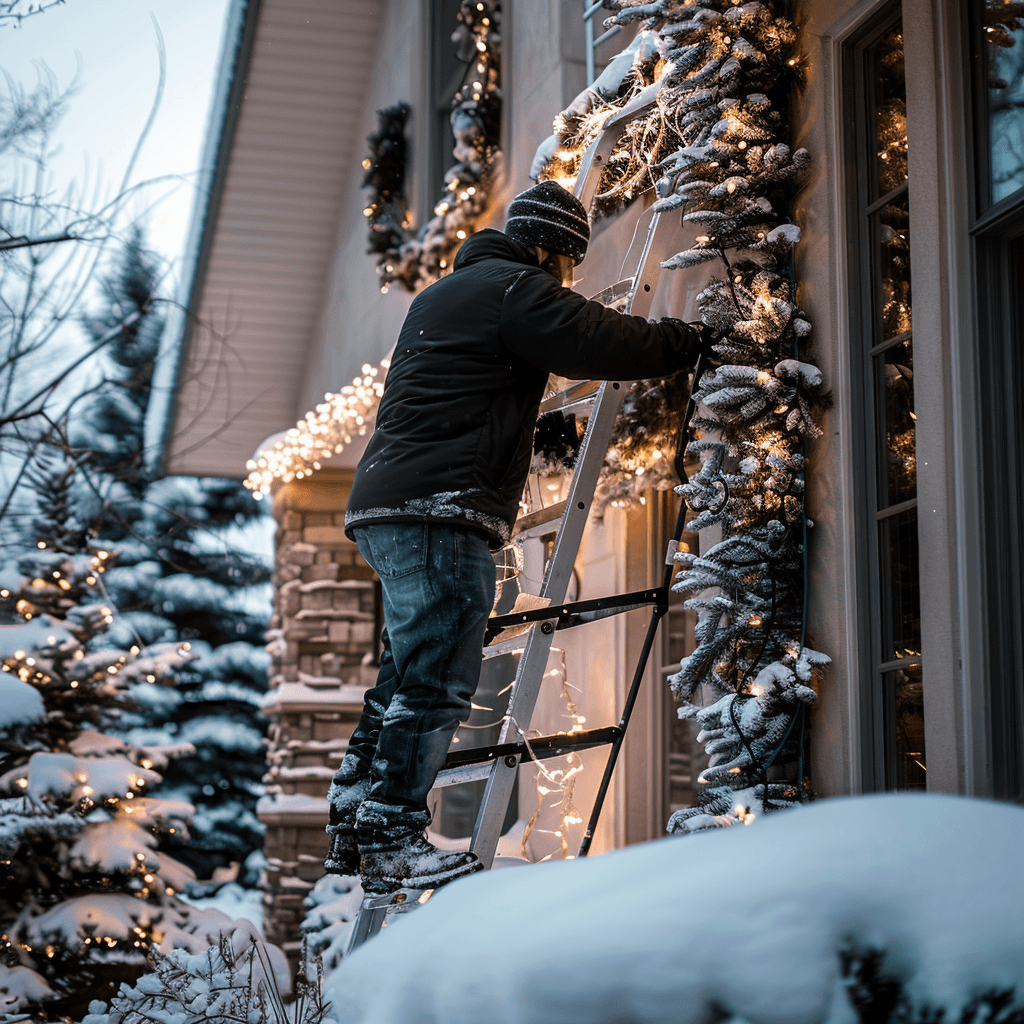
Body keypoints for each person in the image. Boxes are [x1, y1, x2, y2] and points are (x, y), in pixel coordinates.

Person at [324, 180, 714, 894]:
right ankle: (389, 837)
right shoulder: (514, 288)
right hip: (440, 509)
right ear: (552, 250)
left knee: (406, 673)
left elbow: (472, 393)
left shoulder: (445, 296)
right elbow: (593, 338)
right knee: (438, 679)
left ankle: (356, 812)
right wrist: (685, 341)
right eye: (568, 262)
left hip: (387, 506)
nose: (569, 277)